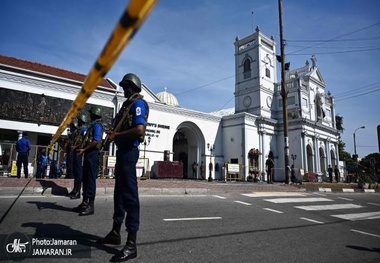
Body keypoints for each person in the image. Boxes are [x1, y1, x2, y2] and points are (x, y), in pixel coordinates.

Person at [97, 73, 149, 262]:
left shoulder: (138, 104)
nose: (123, 90)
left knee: (129, 196)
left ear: (131, 87)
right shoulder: (127, 105)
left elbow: (139, 130)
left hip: (129, 153)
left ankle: (131, 243)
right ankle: (115, 232)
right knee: (118, 193)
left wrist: (117, 134)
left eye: (125, 86)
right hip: (122, 153)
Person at [72, 106, 103, 216]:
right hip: (88, 154)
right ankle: (84, 203)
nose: (89, 116)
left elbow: (96, 140)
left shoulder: (97, 125)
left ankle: (91, 205)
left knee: (90, 180)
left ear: (94, 115)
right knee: (85, 178)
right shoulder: (93, 125)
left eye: (90, 114)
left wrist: (84, 149)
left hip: (93, 155)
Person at [67, 114, 88, 199]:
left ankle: (78, 192)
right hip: (75, 152)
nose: (78, 121)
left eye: (79, 120)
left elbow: (84, 141)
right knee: (75, 171)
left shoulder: (84, 129)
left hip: (80, 152)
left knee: (78, 172)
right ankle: (75, 190)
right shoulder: (77, 130)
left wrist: (75, 147)